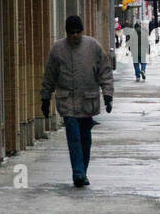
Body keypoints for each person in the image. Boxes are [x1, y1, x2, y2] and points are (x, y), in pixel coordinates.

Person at [40, 14, 113, 188]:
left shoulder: (93, 46)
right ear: (67, 32)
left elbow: (105, 71)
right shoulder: (58, 49)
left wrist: (108, 95)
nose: (75, 36)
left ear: (82, 31)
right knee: (74, 138)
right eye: (71, 32)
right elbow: (50, 75)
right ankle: (78, 172)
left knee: (85, 139)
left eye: (78, 32)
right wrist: (45, 97)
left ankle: (83, 171)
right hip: (67, 102)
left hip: (87, 101)